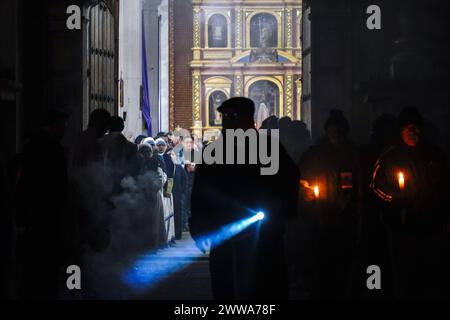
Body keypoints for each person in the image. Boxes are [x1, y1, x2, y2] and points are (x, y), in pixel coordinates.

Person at [190, 97, 299, 299]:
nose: (225, 124)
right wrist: (199, 225)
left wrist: (280, 207)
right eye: (225, 118)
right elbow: (202, 192)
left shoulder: (268, 148)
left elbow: (290, 179)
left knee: (265, 284)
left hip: (263, 230)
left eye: (230, 118)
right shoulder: (214, 151)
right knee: (228, 284)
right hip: (225, 229)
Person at [369, 106, 450, 299]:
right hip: (402, 227)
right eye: (408, 128)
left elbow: (446, 187)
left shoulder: (434, 155)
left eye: (416, 127)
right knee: (404, 278)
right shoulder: (390, 156)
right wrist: (396, 199)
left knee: (430, 279)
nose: (413, 132)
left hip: (431, 227)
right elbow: (375, 187)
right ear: (401, 131)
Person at [298, 109, 361, 299]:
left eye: (340, 129)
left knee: (343, 263)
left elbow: (359, 184)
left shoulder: (353, 154)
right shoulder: (315, 154)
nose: (336, 133)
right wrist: (305, 190)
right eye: (333, 129)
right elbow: (300, 178)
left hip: (345, 217)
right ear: (326, 131)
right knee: (320, 263)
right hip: (320, 216)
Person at [15, 109, 69, 299]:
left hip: (34, 216)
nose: (65, 129)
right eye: (63, 124)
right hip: (47, 215)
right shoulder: (52, 149)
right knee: (47, 267)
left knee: (33, 268)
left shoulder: (31, 146)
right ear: (54, 125)